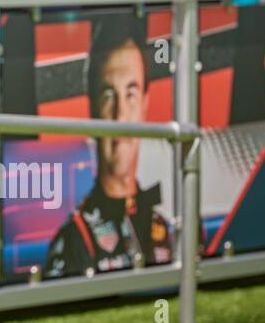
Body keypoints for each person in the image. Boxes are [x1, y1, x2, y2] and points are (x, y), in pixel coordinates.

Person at [45, 16, 173, 277]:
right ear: (92, 106)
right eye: (108, 95)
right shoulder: (72, 239)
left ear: (146, 103)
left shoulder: (167, 227)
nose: (120, 114)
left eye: (131, 93)